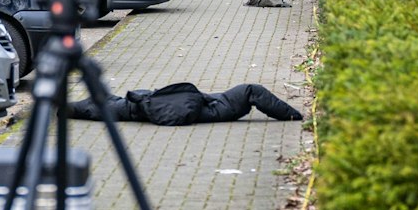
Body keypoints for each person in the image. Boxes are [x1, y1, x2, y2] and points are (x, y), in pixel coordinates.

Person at [68, 82, 303, 125]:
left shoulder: (225, 106)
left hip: (137, 107)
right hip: (138, 106)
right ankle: (291, 114)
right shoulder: (226, 105)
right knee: (113, 105)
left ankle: (291, 115)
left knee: (114, 105)